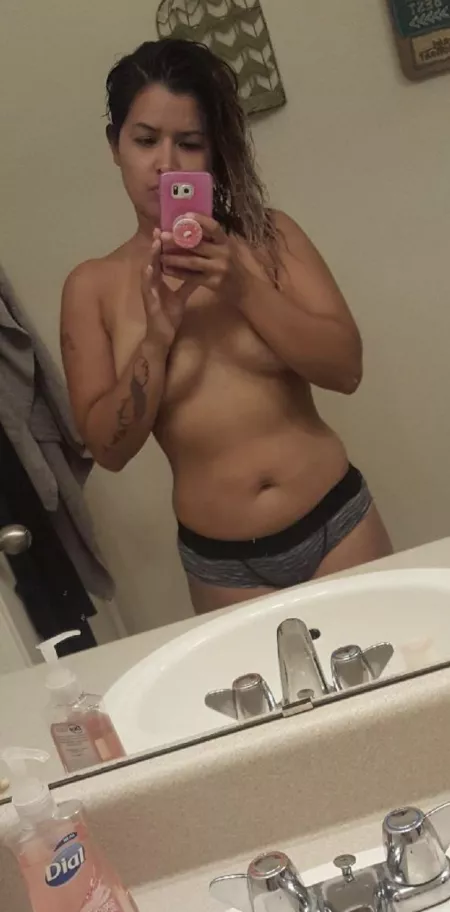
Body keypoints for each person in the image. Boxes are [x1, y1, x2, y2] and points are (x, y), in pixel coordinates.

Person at [61, 39, 392, 615]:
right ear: (115, 146)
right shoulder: (92, 287)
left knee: (398, 671)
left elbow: (346, 369)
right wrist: (157, 335)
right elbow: (109, 450)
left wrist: (244, 286)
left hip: (337, 525)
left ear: (213, 151)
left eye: (189, 143)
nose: (166, 163)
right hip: (223, 565)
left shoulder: (269, 237)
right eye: (145, 140)